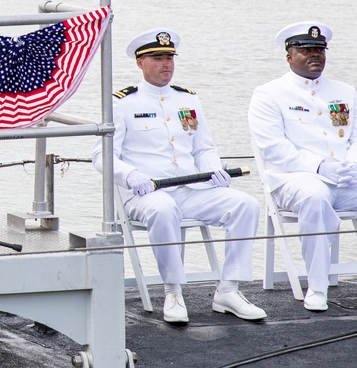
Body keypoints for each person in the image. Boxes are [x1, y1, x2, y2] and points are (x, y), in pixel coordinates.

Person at [92, 28, 266, 324]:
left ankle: (229, 290)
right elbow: (101, 156)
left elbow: (204, 148)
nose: (166, 64)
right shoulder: (122, 103)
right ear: (140, 63)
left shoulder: (188, 100)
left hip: (190, 190)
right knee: (163, 207)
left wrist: (214, 170)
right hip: (145, 194)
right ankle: (173, 291)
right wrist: (130, 174)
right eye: (158, 58)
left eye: (170, 57)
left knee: (245, 204)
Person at [249, 21, 357, 311]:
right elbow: (275, 149)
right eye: (306, 50)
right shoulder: (269, 94)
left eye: (319, 50)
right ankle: (317, 286)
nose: (314, 55)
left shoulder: (344, 91)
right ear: (289, 56)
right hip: (294, 180)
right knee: (315, 195)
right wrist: (321, 167)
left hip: (346, 178)